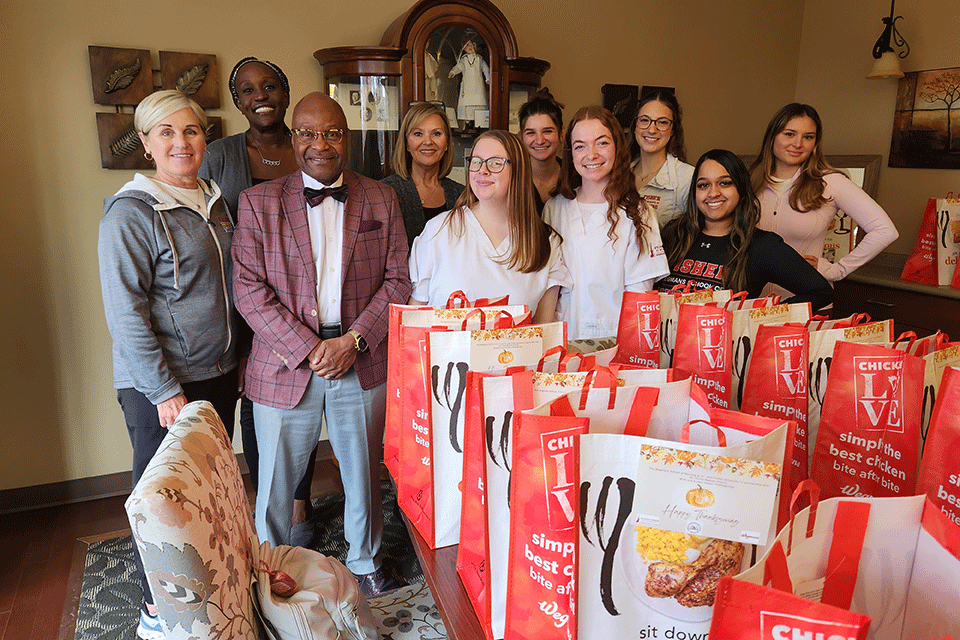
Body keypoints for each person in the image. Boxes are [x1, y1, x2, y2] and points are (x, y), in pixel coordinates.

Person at [232, 92, 411, 597]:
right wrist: (311, 348)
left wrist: (353, 341)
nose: (320, 144)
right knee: (273, 481)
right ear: (293, 138)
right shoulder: (258, 202)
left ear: (345, 138)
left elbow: (399, 280)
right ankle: (269, 567)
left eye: (331, 132)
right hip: (286, 363)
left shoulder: (381, 198)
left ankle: (366, 558)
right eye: (308, 133)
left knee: (362, 472)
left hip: (360, 356)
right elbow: (247, 288)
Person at [98, 89, 239, 640]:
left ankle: (213, 593)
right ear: (148, 143)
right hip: (162, 384)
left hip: (217, 373)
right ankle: (157, 607)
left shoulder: (214, 198)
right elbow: (125, 312)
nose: (182, 142)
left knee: (208, 488)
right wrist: (162, 390)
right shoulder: (130, 212)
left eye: (193, 131)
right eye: (167, 133)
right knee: (162, 501)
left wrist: (238, 358)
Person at [198, 57, 317, 543]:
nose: (259, 96)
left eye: (269, 86)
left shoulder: (310, 144)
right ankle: (266, 499)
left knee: (306, 398)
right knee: (258, 405)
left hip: (307, 301)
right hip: (244, 303)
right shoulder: (220, 156)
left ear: (286, 94)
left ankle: (300, 503)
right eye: (246, 90)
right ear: (237, 102)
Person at [409, 130, 569, 321]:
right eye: (476, 161)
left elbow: (543, 330)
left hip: (514, 352)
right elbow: (414, 318)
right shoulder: (439, 230)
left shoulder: (545, 242)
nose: (482, 171)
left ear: (518, 171)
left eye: (495, 163)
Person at [544, 106, 670, 340]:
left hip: (615, 344)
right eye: (580, 146)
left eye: (601, 143)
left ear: (617, 148)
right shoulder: (555, 209)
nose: (591, 155)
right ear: (571, 153)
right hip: (561, 342)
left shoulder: (639, 213)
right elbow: (545, 288)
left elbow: (640, 300)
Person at [658, 148, 834, 310]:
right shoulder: (673, 234)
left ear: (740, 189)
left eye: (725, 183)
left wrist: (761, 316)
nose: (713, 193)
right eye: (703, 185)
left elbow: (821, 292)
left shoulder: (762, 246)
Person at [750, 103, 898, 283]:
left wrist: (837, 270)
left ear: (815, 143)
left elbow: (885, 230)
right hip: (752, 302)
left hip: (806, 301)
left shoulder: (831, 182)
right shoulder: (749, 181)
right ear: (772, 136)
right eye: (789, 134)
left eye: (808, 137)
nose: (798, 144)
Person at [381, 102, 463, 247]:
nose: (428, 142)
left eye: (436, 133)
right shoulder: (385, 191)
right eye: (418, 134)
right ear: (407, 143)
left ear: (447, 143)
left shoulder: (461, 195)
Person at [630, 88, 695, 228]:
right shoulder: (617, 173)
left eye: (662, 122)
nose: (652, 130)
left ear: (673, 130)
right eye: (644, 120)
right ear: (635, 126)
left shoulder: (688, 179)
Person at [518, 87, 564, 214]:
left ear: (561, 134)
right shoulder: (511, 179)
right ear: (521, 137)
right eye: (531, 133)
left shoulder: (576, 177)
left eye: (547, 131)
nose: (539, 140)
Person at [448, 36, 490, 128]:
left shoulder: (479, 59)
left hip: (478, 86)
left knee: (478, 102)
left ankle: (478, 123)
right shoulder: (464, 59)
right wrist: (453, 72)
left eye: (472, 44)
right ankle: (468, 122)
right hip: (467, 86)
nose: (470, 46)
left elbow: (486, 69)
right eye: (467, 45)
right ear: (464, 48)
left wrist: (488, 78)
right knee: (467, 104)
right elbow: (458, 67)